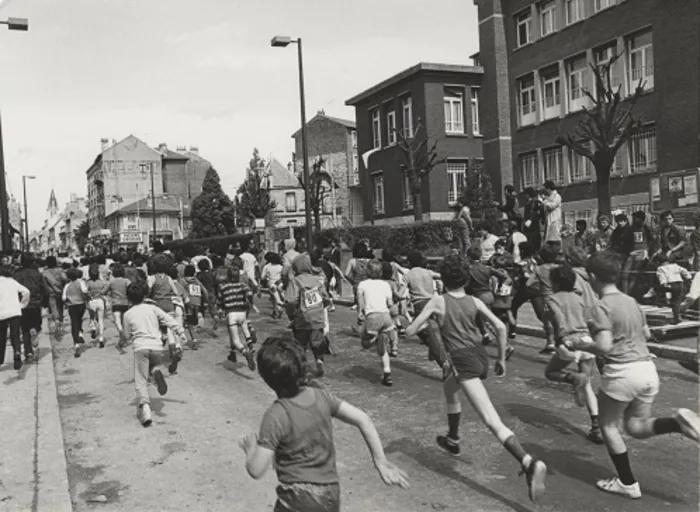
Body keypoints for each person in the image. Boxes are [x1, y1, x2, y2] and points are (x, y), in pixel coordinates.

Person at [405, 254, 548, 503]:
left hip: (463, 361)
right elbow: (501, 328)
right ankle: (453, 437)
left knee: (491, 420)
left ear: (443, 280)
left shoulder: (438, 301)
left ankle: (528, 462)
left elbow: (410, 330)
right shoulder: (473, 300)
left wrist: (415, 320)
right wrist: (501, 359)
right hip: (480, 357)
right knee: (450, 384)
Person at [572, 251, 700, 499]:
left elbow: (605, 346)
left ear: (592, 277)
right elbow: (647, 334)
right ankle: (677, 423)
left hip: (622, 372)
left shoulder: (600, 307)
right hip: (646, 370)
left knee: (608, 425)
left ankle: (627, 483)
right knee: (635, 426)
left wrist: (580, 343)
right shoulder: (631, 301)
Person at [240, 336, 409, 511]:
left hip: (297, 499)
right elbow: (363, 419)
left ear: (267, 379)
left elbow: (256, 470)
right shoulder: (322, 396)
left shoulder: (276, 415)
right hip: (330, 495)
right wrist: (380, 462)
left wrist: (251, 450)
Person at [544, 264, 604, 444]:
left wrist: (561, 336)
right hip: (586, 341)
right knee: (587, 384)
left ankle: (572, 378)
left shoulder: (552, 299)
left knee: (551, 372)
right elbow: (589, 319)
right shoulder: (579, 298)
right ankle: (596, 427)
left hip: (569, 342)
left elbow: (555, 318)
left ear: (554, 283)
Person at [121, 281, 187, 427]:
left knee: (141, 379)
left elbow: (126, 336)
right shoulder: (153, 308)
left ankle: (145, 408)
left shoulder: (127, 314)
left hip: (140, 348)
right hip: (156, 346)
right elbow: (168, 319)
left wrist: (123, 340)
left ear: (129, 298)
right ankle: (156, 371)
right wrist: (180, 332)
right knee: (154, 366)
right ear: (145, 295)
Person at [285, 254, 331, 378]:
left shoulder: (295, 281)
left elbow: (290, 300)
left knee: (301, 345)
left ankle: (303, 368)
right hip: (317, 317)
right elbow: (326, 298)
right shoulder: (316, 280)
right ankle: (319, 360)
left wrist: (290, 315)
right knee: (317, 342)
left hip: (302, 317)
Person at [358, 260, 398, 387]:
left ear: (367, 271)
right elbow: (390, 304)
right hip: (385, 317)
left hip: (372, 316)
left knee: (364, 343)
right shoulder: (385, 285)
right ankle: (387, 372)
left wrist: (360, 313)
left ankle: (374, 338)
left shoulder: (362, 284)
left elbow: (361, 302)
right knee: (383, 350)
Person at [218, 267, 257, 370]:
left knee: (235, 339)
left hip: (231, 314)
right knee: (244, 328)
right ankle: (249, 342)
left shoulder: (223, 288)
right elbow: (249, 293)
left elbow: (220, 303)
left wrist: (219, 313)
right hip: (242, 313)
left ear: (228, 276)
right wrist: (250, 303)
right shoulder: (243, 285)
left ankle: (245, 353)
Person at [13, 254, 48, 362]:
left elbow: (14, 290)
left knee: (24, 329)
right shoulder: (37, 273)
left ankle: (28, 353)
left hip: (22, 304)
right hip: (35, 303)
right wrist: (44, 302)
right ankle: (36, 330)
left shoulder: (17, 274)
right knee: (37, 323)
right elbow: (44, 288)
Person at [526, 243, 559, 354]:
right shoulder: (559, 268)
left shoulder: (539, 269)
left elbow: (528, 283)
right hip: (559, 297)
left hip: (546, 298)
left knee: (547, 320)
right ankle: (552, 343)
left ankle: (551, 343)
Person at [0, 265, 30, 370]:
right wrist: (22, 305)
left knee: (1, 336)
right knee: (15, 335)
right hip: (14, 311)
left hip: (1, 313)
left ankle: (0, 358)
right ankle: (17, 352)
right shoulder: (12, 282)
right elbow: (26, 291)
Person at [623, 211, 656, 298]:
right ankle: (625, 293)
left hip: (642, 254)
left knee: (634, 275)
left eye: (637, 218)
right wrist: (629, 252)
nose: (635, 220)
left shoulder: (647, 229)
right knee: (625, 274)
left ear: (642, 219)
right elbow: (624, 243)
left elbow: (651, 242)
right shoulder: (630, 229)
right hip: (631, 254)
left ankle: (628, 295)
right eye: (634, 218)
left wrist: (647, 252)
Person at [656, 254, 691, 324]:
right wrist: (689, 277)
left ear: (659, 262)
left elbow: (661, 276)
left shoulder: (660, 268)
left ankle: (676, 318)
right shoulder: (675, 266)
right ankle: (677, 316)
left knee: (673, 301)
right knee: (677, 300)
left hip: (671, 284)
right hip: (680, 284)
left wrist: (663, 283)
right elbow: (684, 270)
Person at [63, 267, 90, 358]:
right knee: (80, 319)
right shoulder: (81, 282)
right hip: (81, 305)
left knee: (74, 323)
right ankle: (80, 332)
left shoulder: (67, 286)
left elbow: (63, 298)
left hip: (72, 306)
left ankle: (76, 344)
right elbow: (85, 291)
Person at [103, 264, 131, 341]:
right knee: (124, 321)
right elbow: (131, 290)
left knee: (117, 321)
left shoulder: (111, 281)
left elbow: (104, 291)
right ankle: (122, 339)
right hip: (126, 303)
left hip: (116, 303)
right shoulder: (127, 281)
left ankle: (120, 331)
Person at [43, 255, 68, 332]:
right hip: (60, 291)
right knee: (60, 307)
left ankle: (56, 320)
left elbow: (42, 284)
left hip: (50, 293)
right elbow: (65, 279)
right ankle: (60, 322)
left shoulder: (44, 272)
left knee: (53, 307)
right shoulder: (60, 270)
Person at [261, 252, 285, 319]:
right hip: (280, 283)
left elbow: (262, 277)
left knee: (275, 299)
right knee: (280, 296)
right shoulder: (281, 267)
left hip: (271, 285)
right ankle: (277, 309)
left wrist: (267, 277)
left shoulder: (266, 267)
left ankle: (279, 309)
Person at [541, 181, 562, 246]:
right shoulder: (547, 197)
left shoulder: (557, 196)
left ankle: (558, 250)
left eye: (544, 189)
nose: (543, 191)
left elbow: (551, 206)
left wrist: (544, 201)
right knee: (548, 237)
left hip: (555, 219)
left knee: (555, 236)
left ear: (549, 189)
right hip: (548, 219)